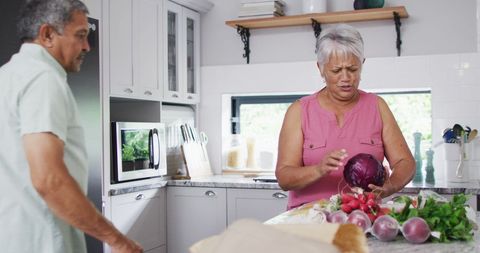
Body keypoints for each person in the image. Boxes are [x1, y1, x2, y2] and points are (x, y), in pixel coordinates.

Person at [0, 0, 142, 252]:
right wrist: (119, 242)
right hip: (45, 240)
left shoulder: (8, 75)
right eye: (80, 36)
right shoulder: (43, 79)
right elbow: (49, 180)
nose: (87, 46)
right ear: (47, 35)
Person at [275, 24, 415, 210]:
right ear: (321, 68)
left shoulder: (377, 106)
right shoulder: (299, 111)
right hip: (309, 217)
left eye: (353, 69)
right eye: (336, 71)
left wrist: (390, 186)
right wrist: (318, 169)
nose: (346, 78)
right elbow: (284, 177)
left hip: (364, 216)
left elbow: (406, 162)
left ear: (362, 64)